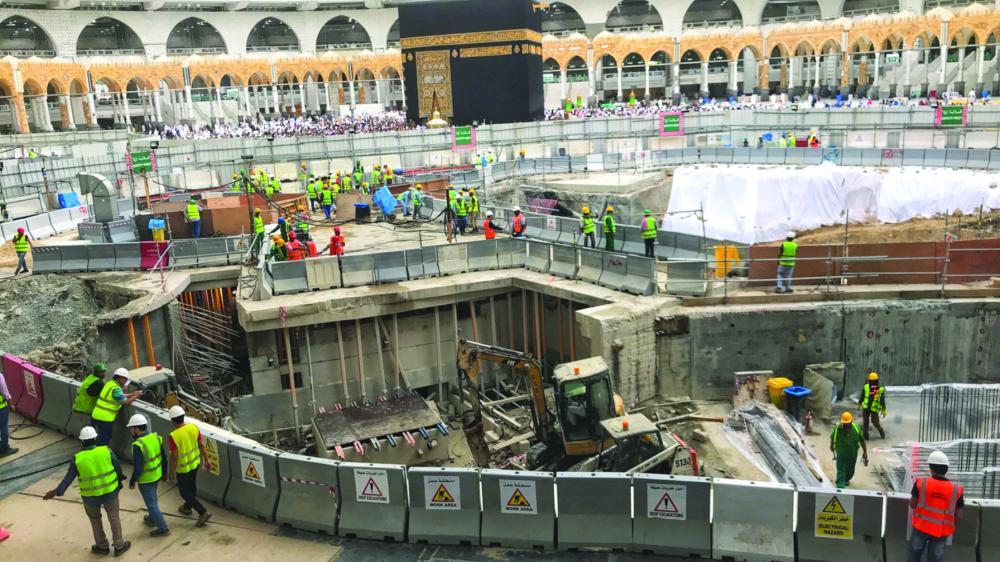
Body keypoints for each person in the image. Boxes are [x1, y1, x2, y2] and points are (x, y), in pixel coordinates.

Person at [44, 426, 131, 557]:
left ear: (82, 442)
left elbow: (68, 479)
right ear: (95, 438)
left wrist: (56, 492)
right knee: (114, 518)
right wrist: (120, 479)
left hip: (90, 498)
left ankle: (102, 546)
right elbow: (117, 467)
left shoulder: (77, 458)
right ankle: (119, 545)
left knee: (95, 520)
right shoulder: (106, 451)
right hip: (110, 492)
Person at [908, 450, 964, 562]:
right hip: (941, 532)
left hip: (920, 527)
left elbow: (913, 505)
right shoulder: (956, 490)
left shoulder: (921, 483)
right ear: (946, 469)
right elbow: (959, 516)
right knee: (935, 558)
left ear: (931, 468)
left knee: (914, 556)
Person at [167, 405, 212, 527]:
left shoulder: (173, 436)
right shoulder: (193, 427)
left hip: (183, 468)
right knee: (191, 487)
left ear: (172, 420)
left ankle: (202, 512)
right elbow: (201, 446)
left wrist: (171, 471)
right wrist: (207, 460)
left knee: (184, 492)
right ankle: (187, 507)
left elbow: (175, 456)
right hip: (195, 463)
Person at [126, 414, 170, 537]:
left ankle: (163, 528)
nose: (131, 431)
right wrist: (165, 472)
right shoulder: (155, 437)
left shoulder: (138, 445)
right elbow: (164, 457)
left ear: (137, 429)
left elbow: (138, 467)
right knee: (153, 499)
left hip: (146, 479)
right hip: (157, 474)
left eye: (131, 428)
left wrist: (132, 481)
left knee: (151, 504)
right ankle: (152, 518)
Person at [91, 367, 141, 447]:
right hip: (105, 419)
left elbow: (118, 395)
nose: (125, 382)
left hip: (95, 415)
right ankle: (100, 456)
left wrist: (132, 394)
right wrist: (136, 396)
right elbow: (126, 402)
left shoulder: (110, 384)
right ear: (120, 378)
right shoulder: (116, 389)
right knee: (104, 440)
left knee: (94, 438)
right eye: (125, 379)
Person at [830, 411, 867, 488]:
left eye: (848, 423)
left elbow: (862, 440)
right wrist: (831, 446)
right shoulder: (838, 429)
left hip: (852, 454)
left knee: (850, 471)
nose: (846, 425)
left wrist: (865, 452)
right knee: (841, 470)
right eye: (844, 423)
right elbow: (833, 437)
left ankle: (846, 479)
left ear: (851, 421)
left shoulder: (856, 428)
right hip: (841, 454)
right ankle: (840, 486)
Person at [858, 372, 886, 440]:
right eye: (872, 381)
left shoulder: (880, 389)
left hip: (874, 409)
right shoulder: (866, 387)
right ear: (870, 381)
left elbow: (882, 400)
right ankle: (865, 436)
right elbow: (862, 396)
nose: (873, 383)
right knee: (865, 422)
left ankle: (881, 431)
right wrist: (859, 403)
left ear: (877, 381)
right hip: (866, 408)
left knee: (875, 422)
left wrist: (884, 409)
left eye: (874, 381)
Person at [0, 368, 16, 457]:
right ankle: (5, 449)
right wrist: (11, 404)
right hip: (1, 408)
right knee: (3, 428)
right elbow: (5, 392)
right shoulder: (0, 376)